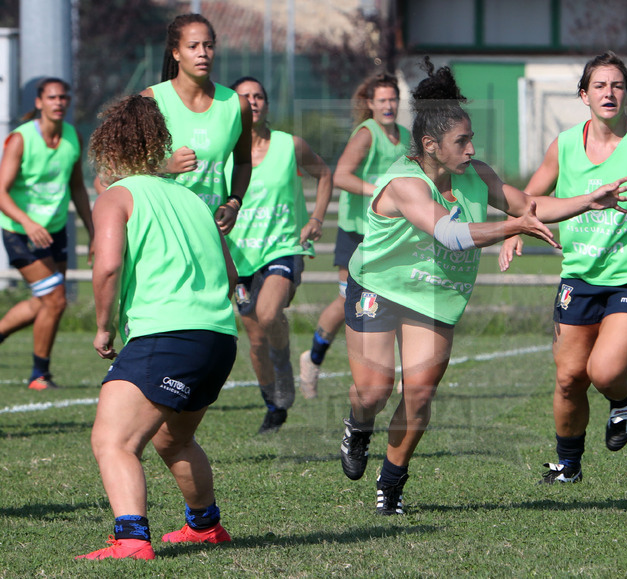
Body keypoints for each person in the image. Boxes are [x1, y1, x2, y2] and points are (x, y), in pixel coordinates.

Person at [339, 57, 627, 515]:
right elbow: (451, 234)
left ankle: (391, 485)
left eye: (472, 137)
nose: (472, 147)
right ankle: (359, 427)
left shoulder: (476, 175)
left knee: (418, 393)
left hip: (434, 295)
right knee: (374, 393)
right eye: (462, 141)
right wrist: (511, 227)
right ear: (431, 145)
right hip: (379, 287)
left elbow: (531, 203)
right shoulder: (404, 183)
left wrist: (587, 200)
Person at [499, 51, 627, 484]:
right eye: (599, 85)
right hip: (579, 275)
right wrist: (514, 229)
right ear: (583, 94)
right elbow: (527, 201)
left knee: (605, 372)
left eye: (617, 85)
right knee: (570, 377)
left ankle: (622, 398)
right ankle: (568, 466)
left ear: (626, 93)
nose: (609, 92)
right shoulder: (566, 145)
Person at [76, 95, 238, 560]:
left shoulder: (116, 196)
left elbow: (106, 268)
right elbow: (229, 276)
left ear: (108, 151)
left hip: (167, 337)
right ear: (159, 142)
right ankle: (205, 527)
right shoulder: (192, 200)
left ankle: (131, 539)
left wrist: (104, 327)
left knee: (113, 439)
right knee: (174, 437)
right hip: (217, 338)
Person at [227, 76, 332, 433]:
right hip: (239, 256)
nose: (253, 101)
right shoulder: (222, 154)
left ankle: (283, 359)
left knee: (270, 314)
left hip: (283, 248)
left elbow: (324, 174)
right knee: (255, 339)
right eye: (245, 96)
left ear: (267, 105)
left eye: (259, 96)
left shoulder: (290, 145)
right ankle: (274, 405)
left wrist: (316, 217)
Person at [299, 73, 410, 399]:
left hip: (388, 233)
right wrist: (380, 192)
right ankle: (313, 359)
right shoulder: (366, 134)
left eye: (393, 99)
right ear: (370, 104)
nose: (389, 105)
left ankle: (404, 371)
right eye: (382, 100)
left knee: (399, 296)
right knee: (349, 299)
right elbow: (342, 176)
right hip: (357, 230)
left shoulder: (404, 136)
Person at [0, 77, 94, 390]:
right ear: (39, 103)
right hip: (20, 231)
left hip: (54, 232)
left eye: (63, 97)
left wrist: (93, 231)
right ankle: (39, 375)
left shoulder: (73, 138)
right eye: (52, 97)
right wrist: (28, 223)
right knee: (55, 300)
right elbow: (1, 192)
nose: (58, 102)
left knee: (46, 302)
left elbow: (78, 187)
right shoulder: (21, 139)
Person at [141, 13, 251, 235]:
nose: (202, 53)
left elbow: (243, 163)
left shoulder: (236, 105)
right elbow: (123, 167)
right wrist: (165, 166)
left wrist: (234, 203)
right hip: (162, 228)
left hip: (210, 231)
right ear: (176, 53)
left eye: (208, 46)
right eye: (193, 46)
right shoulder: (151, 100)